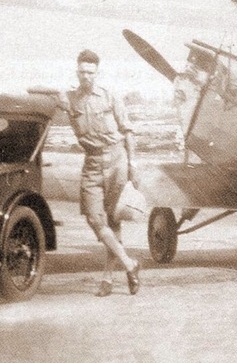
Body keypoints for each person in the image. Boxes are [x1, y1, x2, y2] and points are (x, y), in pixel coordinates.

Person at [59, 49, 141, 297]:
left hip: (117, 159)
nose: (87, 77)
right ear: (77, 71)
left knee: (113, 221)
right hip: (92, 162)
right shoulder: (70, 99)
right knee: (95, 219)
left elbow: (128, 131)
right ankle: (130, 264)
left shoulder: (110, 96)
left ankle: (107, 280)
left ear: (97, 73)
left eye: (91, 72)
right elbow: (40, 94)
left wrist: (133, 166)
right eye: (82, 72)